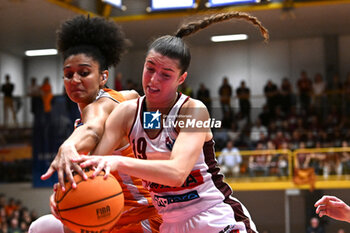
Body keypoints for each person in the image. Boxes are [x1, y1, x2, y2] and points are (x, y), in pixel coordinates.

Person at [73, 11, 268, 233]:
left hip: (214, 217)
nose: (154, 79)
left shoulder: (194, 111)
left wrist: (118, 163)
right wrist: (68, 192)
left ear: (181, 79)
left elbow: (177, 173)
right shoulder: (127, 114)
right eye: (150, 68)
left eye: (165, 74)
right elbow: (94, 163)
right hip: (170, 225)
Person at [29, 15, 161, 233]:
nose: (75, 80)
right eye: (68, 74)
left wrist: (68, 146)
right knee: (43, 226)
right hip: (111, 214)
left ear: (103, 76)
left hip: (143, 220)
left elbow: (93, 127)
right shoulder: (127, 97)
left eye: (84, 72)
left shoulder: (104, 105)